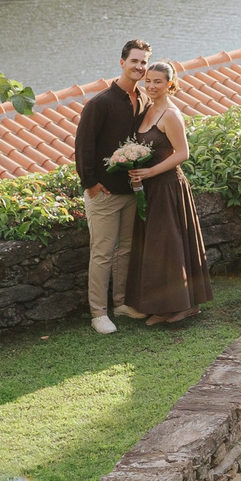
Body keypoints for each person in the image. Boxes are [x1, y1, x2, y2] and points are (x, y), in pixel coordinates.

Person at [73, 37, 154, 334]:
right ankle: (98, 313)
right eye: (134, 61)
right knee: (103, 253)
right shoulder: (100, 103)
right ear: (122, 62)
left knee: (125, 251)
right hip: (103, 193)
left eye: (144, 62)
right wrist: (91, 185)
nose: (139, 67)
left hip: (131, 192)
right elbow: (84, 147)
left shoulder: (144, 100)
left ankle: (120, 303)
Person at [125, 60, 212, 325]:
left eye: (158, 82)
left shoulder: (171, 115)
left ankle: (181, 307)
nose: (151, 86)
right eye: (148, 81)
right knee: (154, 247)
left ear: (170, 84)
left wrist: (151, 172)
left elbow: (183, 153)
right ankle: (161, 305)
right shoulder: (148, 108)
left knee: (168, 247)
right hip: (149, 188)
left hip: (167, 187)